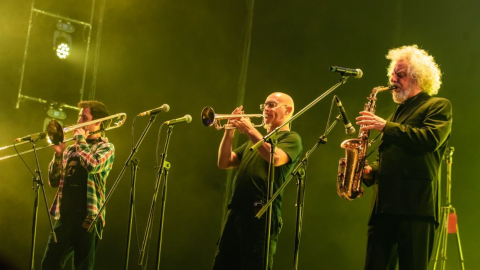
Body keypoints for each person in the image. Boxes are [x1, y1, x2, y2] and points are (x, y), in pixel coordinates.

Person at [356, 45, 453, 270]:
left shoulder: (437, 106)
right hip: (383, 210)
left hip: (415, 209)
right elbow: (393, 156)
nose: (393, 79)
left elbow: (429, 139)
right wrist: (372, 172)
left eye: (400, 74)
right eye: (392, 74)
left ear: (419, 77)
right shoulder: (396, 113)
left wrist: (384, 126)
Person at [213, 92, 303, 270]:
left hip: (261, 214)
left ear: (288, 110)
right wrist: (229, 132)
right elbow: (224, 162)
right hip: (237, 212)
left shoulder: (291, 138)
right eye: (265, 106)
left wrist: (249, 130)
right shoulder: (252, 143)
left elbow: (275, 158)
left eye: (272, 105)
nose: (266, 109)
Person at [42, 100, 115, 270]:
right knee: (49, 264)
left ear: (97, 122)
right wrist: (59, 155)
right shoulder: (70, 150)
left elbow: (93, 164)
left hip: (88, 217)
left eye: (84, 118)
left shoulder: (106, 147)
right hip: (65, 216)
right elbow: (53, 181)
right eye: (79, 117)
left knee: (82, 266)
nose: (79, 122)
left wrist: (81, 140)